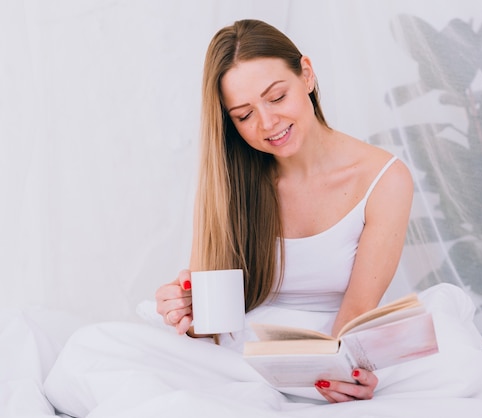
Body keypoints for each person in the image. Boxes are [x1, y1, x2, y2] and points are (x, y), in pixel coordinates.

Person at [154, 19, 413, 403]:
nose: (268, 123)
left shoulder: (384, 179)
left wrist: (338, 369)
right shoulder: (229, 180)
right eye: (244, 115)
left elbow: (358, 311)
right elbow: (209, 328)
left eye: (276, 97)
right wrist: (184, 312)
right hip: (237, 353)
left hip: (325, 346)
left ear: (306, 75)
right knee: (97, 347)